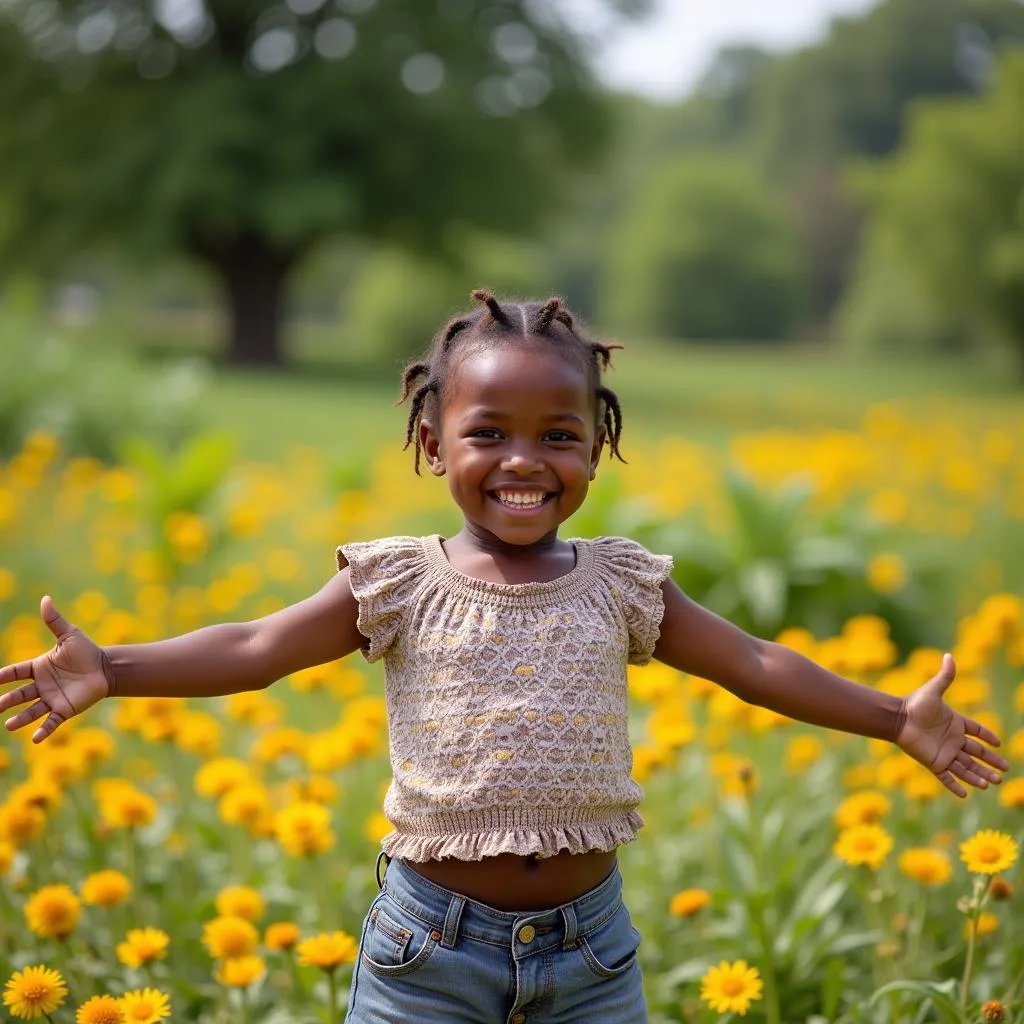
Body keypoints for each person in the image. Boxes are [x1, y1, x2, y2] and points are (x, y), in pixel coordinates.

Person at [0, 289, 1010, 1023]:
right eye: (488, 431)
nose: (524, 458)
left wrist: (892, 716)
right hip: (425, 953)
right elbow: (258, 646)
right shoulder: (395, 580)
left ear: (595, 445)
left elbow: (750, 660)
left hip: (592, 956)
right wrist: (115, 667)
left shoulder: (621, 583)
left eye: (558, 434)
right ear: (434, 443)